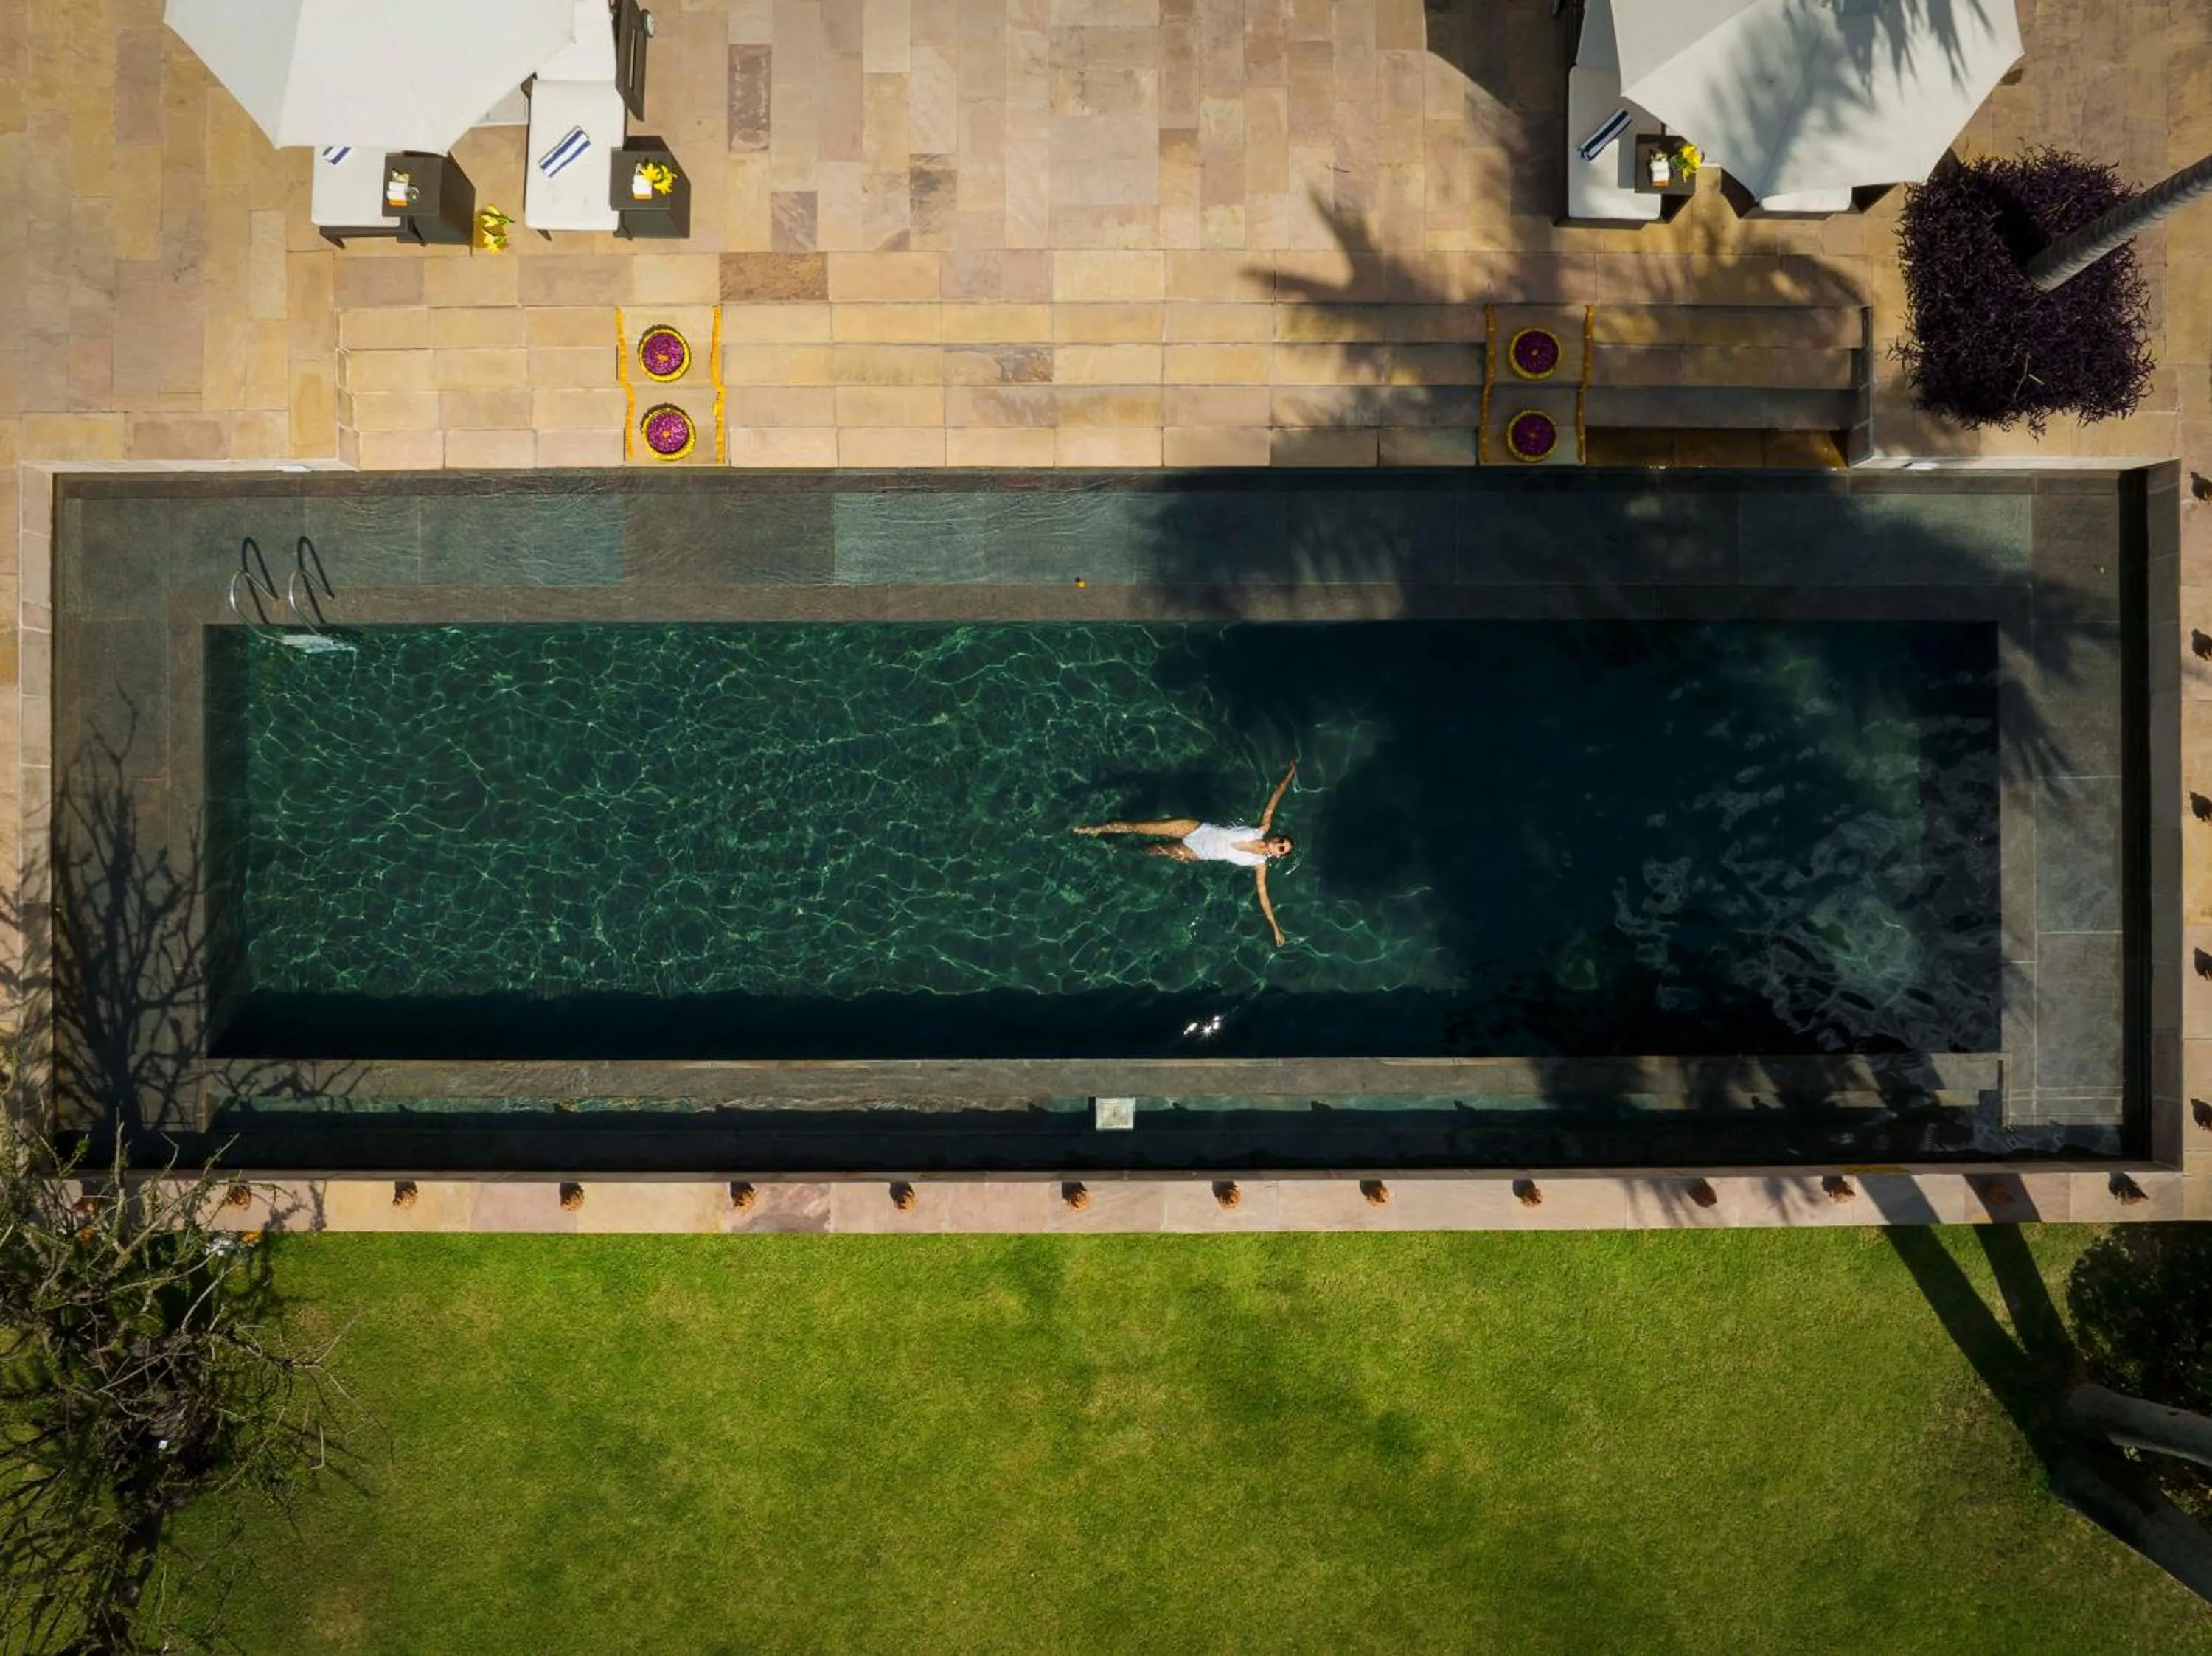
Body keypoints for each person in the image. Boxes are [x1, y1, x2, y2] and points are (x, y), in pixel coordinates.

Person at [1074, 761, 1298, 947]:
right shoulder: (1262, 829)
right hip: (1195, 828)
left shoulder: (1260, 864)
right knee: (1138, 826)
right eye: (1280, 841)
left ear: (1278, 855)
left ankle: (1120, 849)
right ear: (1275, 836)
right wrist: (1288, 775)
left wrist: (1274, 927)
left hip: (1196, 851)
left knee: (1151, 851)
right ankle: (1095, 830)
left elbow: (1263, 896)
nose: (1277, 844)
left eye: (1281, 849)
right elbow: (1274, 800)